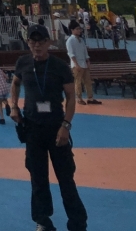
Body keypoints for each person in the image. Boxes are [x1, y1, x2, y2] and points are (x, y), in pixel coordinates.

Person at [10, 23, 87, 231]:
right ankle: (42, 220)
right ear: (28, 43)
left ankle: (77, 222)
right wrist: (13, 106)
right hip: (32, 128)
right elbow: (15, 83)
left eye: (41, 42)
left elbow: (71, 97)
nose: (37, 45)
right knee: (38, 178)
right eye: (33, 41)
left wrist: (66, 126)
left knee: (65, 178)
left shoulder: (59, 66)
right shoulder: (23, 63)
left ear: (49, 43)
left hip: (56, 127)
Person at [65, 21, 99, 105]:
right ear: (72, 30)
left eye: (80, 29)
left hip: (83, 63)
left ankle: (90, 97)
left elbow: (85, 52)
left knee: (88, 81)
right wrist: (76, 64)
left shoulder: (81, 40)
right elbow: (71, 53)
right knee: (78, 81)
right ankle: (79, 98)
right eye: (77, 29)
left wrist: (88, 61)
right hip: (77, 64)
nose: (79, 30)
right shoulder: (70, 40)